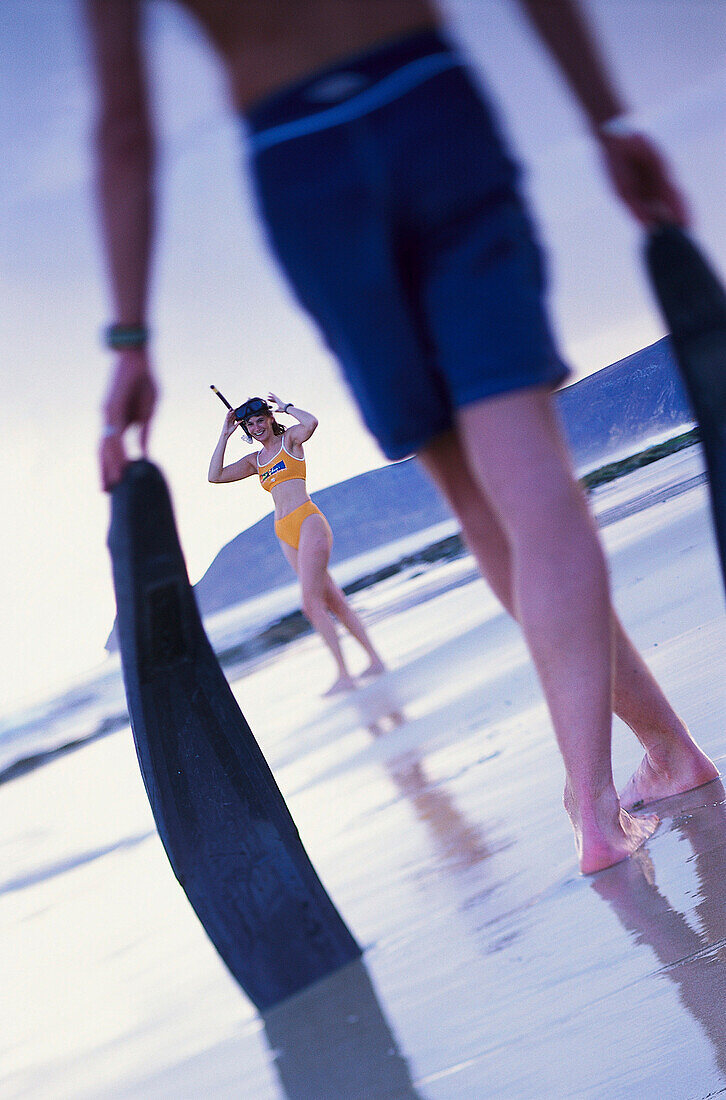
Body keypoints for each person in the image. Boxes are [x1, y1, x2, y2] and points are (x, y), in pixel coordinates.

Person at [85, 0, 718, 872]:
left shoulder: (284, 435)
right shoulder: (259, 451)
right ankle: (660, 760)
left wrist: (130, 337)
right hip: (429, 102)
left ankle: (596, 805)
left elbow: (124, 122)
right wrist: (606, 121)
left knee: (484, 508)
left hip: (300, 155)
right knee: (526, 480)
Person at [208, 393, 385, 693]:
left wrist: (287, 407)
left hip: (308, 522)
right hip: (284, 531)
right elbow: (216, 476)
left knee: (310, 603)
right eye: (249, 424)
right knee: (334, 600)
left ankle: (345, 675)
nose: (256, 427)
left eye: (260, 420)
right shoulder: (255, 461)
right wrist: (224, 434)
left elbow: (311, 422)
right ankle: (375, 662)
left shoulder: (289, 441)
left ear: (269, 418)